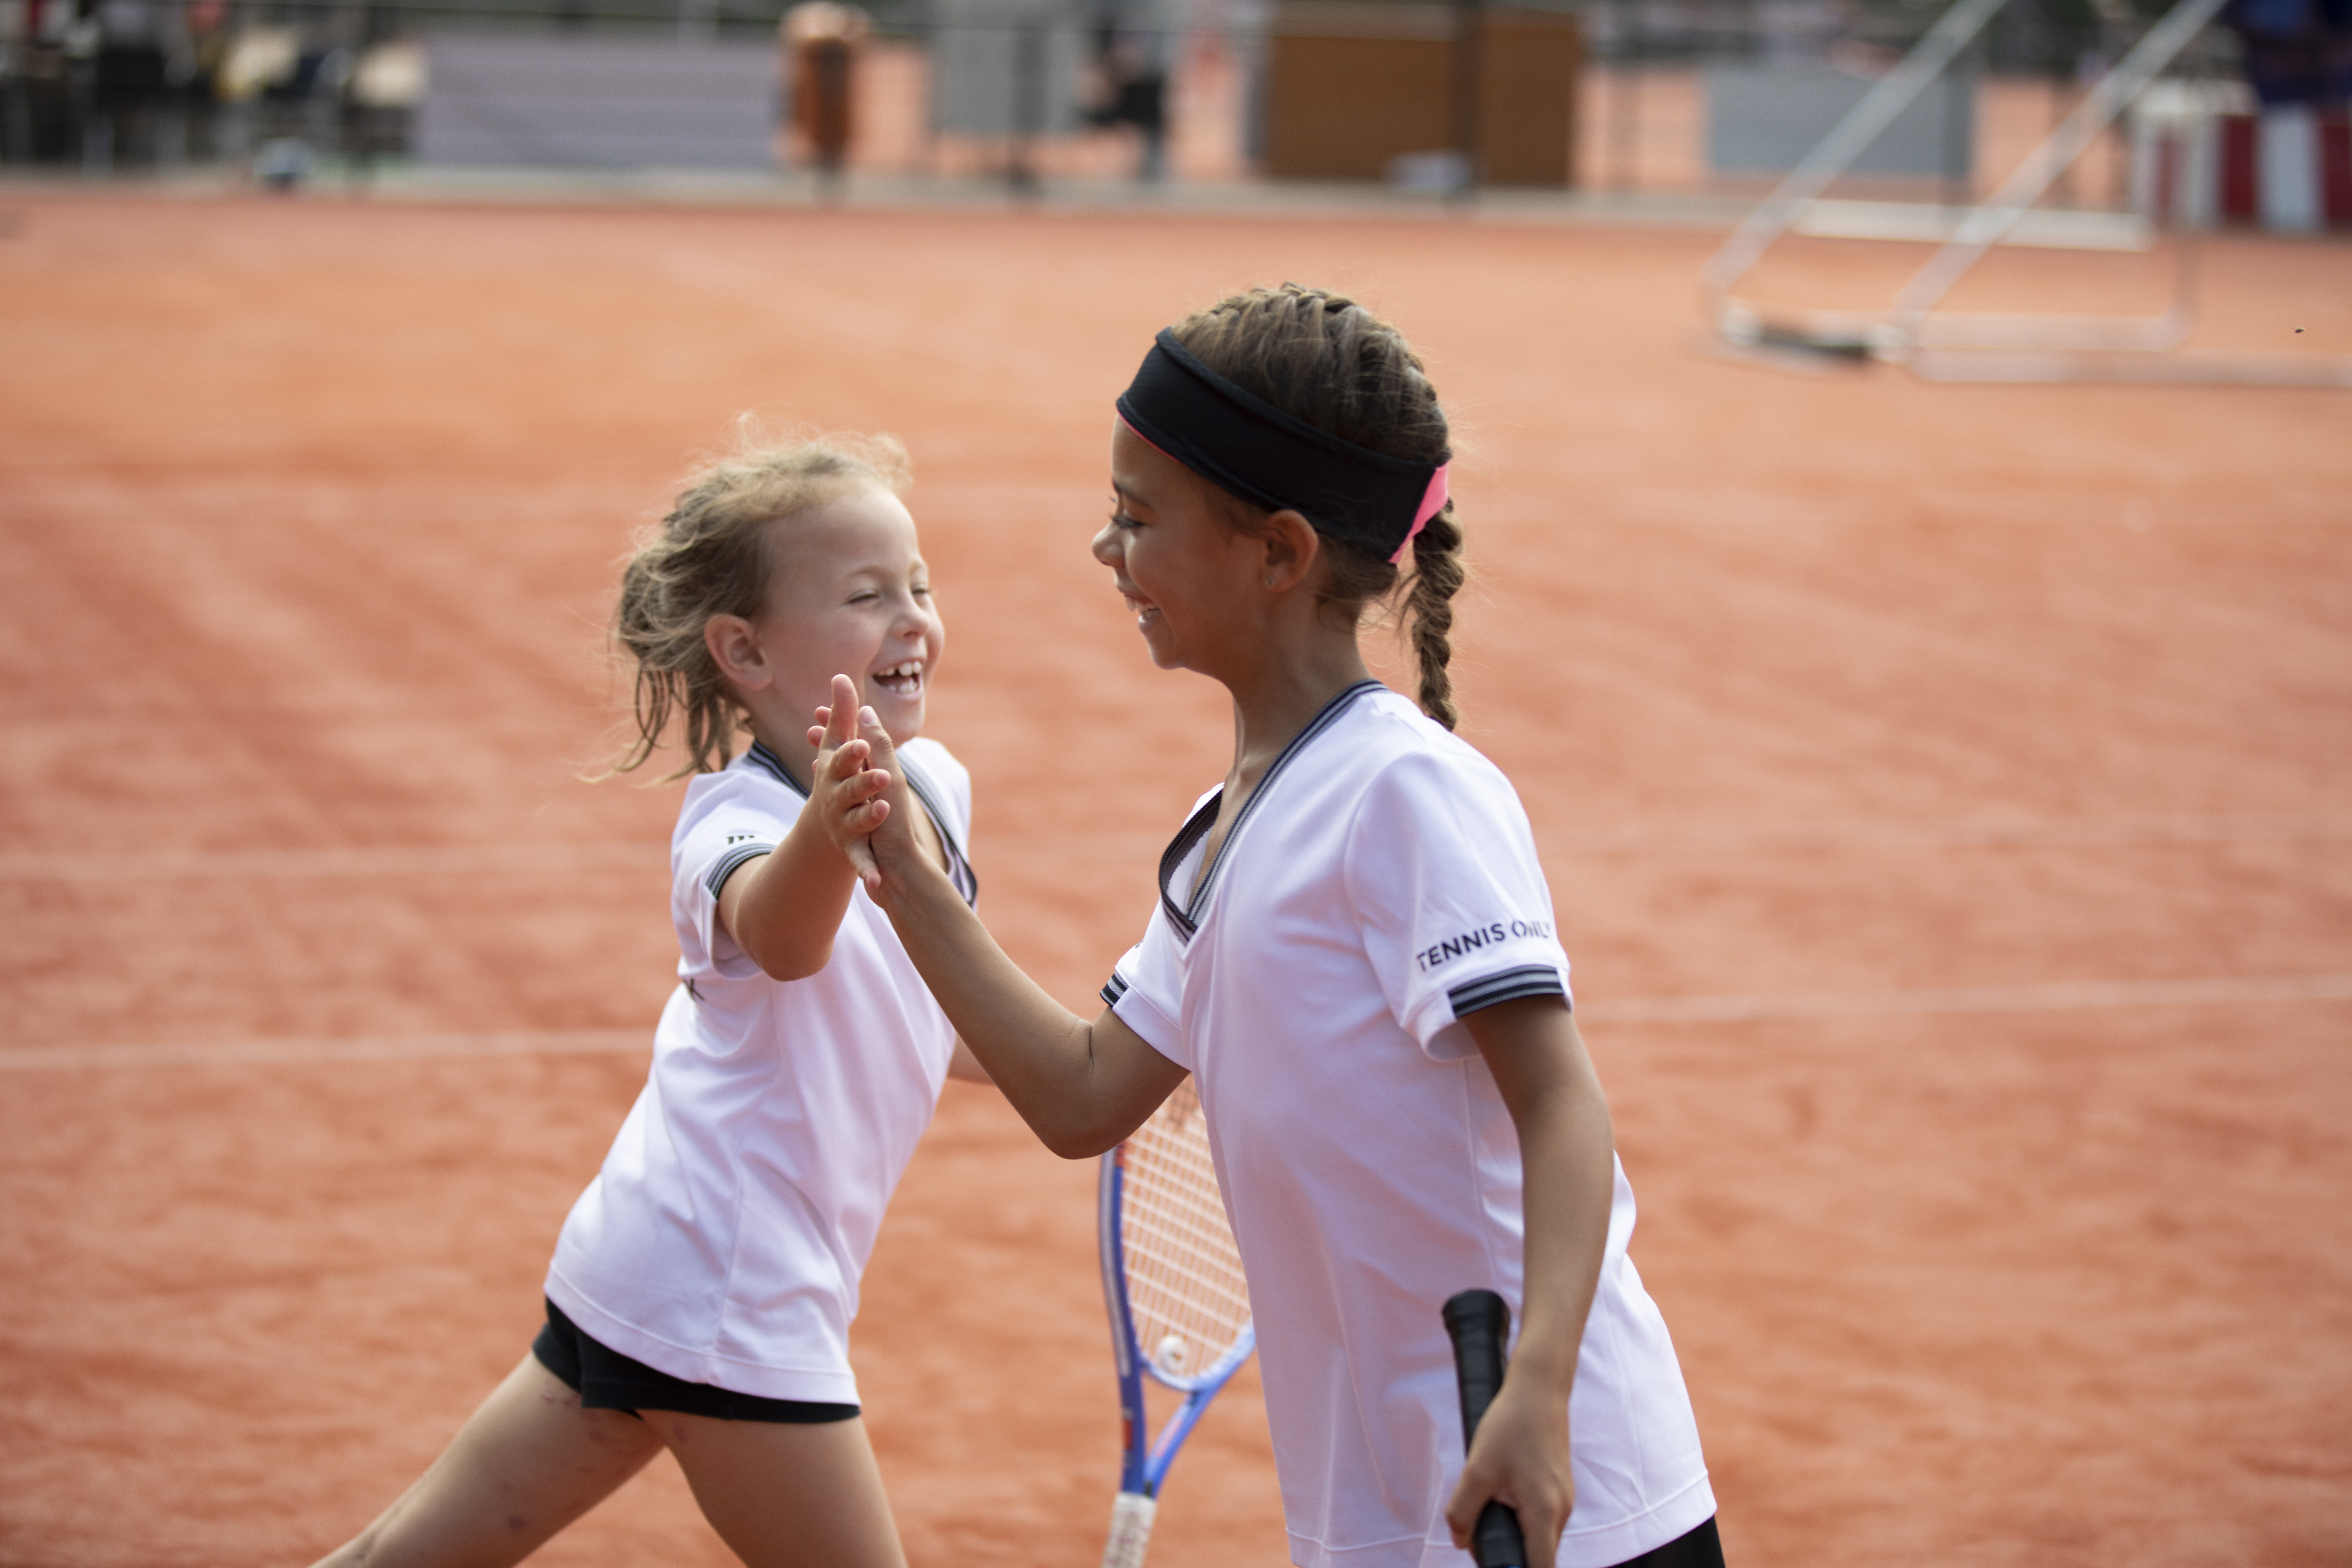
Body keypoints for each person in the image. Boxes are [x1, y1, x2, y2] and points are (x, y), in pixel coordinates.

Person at [808, 285, 1723, 1568]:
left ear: (1280, 554)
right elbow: (1083, 1096)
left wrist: (1538, 1392)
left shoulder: (1404, 790)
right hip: (1378, 1512)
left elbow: (1562, 1107)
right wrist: (897, 865)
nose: (1102, 548)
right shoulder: (1221, 829)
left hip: (1563, 1492)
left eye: (1136, 518)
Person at [311, 432, 988, 1568]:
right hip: (730, 1295)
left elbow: (937, 1003)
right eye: (867, 596)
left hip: (650, 1263)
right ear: (745, 651)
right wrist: (830, 826)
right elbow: (787, 940)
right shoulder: (733, 825)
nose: (912, 616)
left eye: (917, 585)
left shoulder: (939, 785)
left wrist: (1118, 1061)